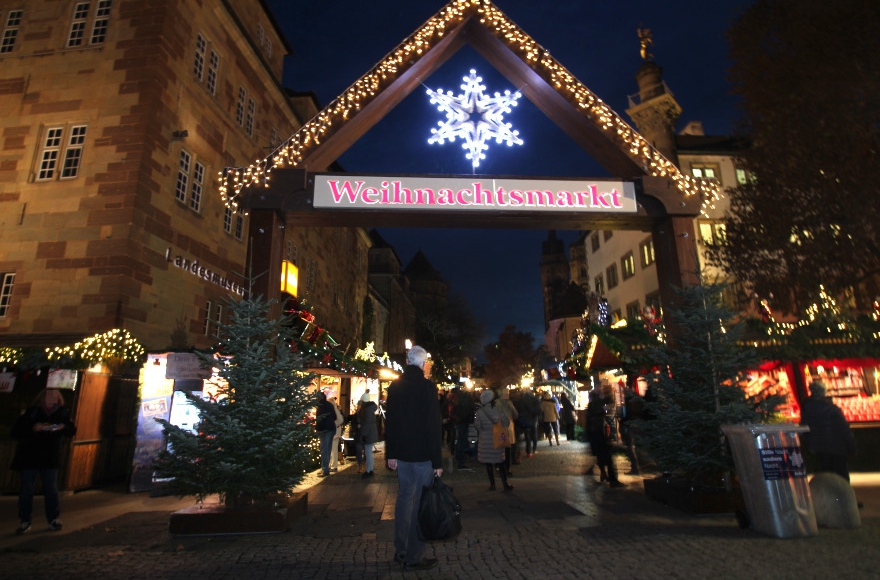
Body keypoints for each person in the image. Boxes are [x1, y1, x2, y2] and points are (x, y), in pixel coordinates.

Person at [385, 345, 443, 571]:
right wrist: (437, 461)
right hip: (423, 456)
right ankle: (414, 555)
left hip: (403, 455)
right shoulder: (428, 388)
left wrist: (391, 453)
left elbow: (391, 422)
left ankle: (400, 550)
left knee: (403, 499)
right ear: (423, 363)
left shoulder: (395, 386)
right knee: (420, 503)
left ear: (408, 361)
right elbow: (433, 426)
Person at [10, 388, 77, 534]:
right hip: (30, 456)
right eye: (47, 397)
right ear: (41, 398)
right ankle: (25, 520)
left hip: (50, 456)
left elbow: (71, 430)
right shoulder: (32, 412)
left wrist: (62, 427)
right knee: (27, 490)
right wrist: (32, 428)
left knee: (51, 489)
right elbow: (16, 431)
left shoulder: (62, 413)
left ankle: (53, 518)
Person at [800, 380, 857, 481]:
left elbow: (805, 429)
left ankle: (829, 495)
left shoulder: (806, 408)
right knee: (841, 476)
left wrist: (810, 444)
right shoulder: (832, 409)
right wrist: (851, 446)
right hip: (837, 446)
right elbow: (844, 429)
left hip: (819, 447)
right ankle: (842, 495)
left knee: (826, 475)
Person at [474, 389, 514, 492]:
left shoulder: (480, 412)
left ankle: (492, 485)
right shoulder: (499, 409)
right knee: (501, 463)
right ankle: (505, 484)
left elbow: (478, 426)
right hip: (498, 439)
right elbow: (506, 423)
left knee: (488, 464)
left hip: (485, 441)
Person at [586, 390, 623, 487]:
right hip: (601, 435)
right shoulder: (599, 404)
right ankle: (613, 480)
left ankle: (603, 473)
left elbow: (588, 423)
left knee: (600, 457)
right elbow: (609, 403)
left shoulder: (591, 406)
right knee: (608, 459)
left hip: (594, 436)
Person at [451, 386, 475, 469]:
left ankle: (459, 456)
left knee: (460, 440)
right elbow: (471, 409)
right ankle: (461, 461)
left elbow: (454, 411)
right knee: (463, 440)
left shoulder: (457, 400)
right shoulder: (466, 400)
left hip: (459, 422)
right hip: (464, 422)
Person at [495, 387, 519, 469]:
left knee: (504, 446)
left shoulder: (500, 403)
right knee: (506, 447)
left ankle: (502, 465)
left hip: (504, 427)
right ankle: (504, 465)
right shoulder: (503, 404)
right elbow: (515, 414)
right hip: (505, 427)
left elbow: (515, 415)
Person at [356, 392, 379, 479]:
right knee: (368, 452)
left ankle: (369, 470)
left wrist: (363, 434)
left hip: (368, 433)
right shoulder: (370, 408)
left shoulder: (366, 410)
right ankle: (369, 469)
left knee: (368, 452)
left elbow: (366, 424)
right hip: (370, 433)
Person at [315, 391, 337, 477]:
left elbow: (319, 420)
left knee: (324, 449)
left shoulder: (320, 407)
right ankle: (325, 468)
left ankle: (325, 469)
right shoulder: (329, 405)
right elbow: (335, 417)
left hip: (324, 430)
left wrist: (317, 428)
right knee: (327, 448)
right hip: (331, 428)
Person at [328, 396, 345, 473]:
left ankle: (333, 465)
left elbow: (340, 420)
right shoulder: (335, 409)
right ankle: (332, 465)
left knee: (333, 448)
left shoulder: (334, 409)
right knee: (333, 448)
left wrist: (334, 425)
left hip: (335, 431)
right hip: (335, 430)